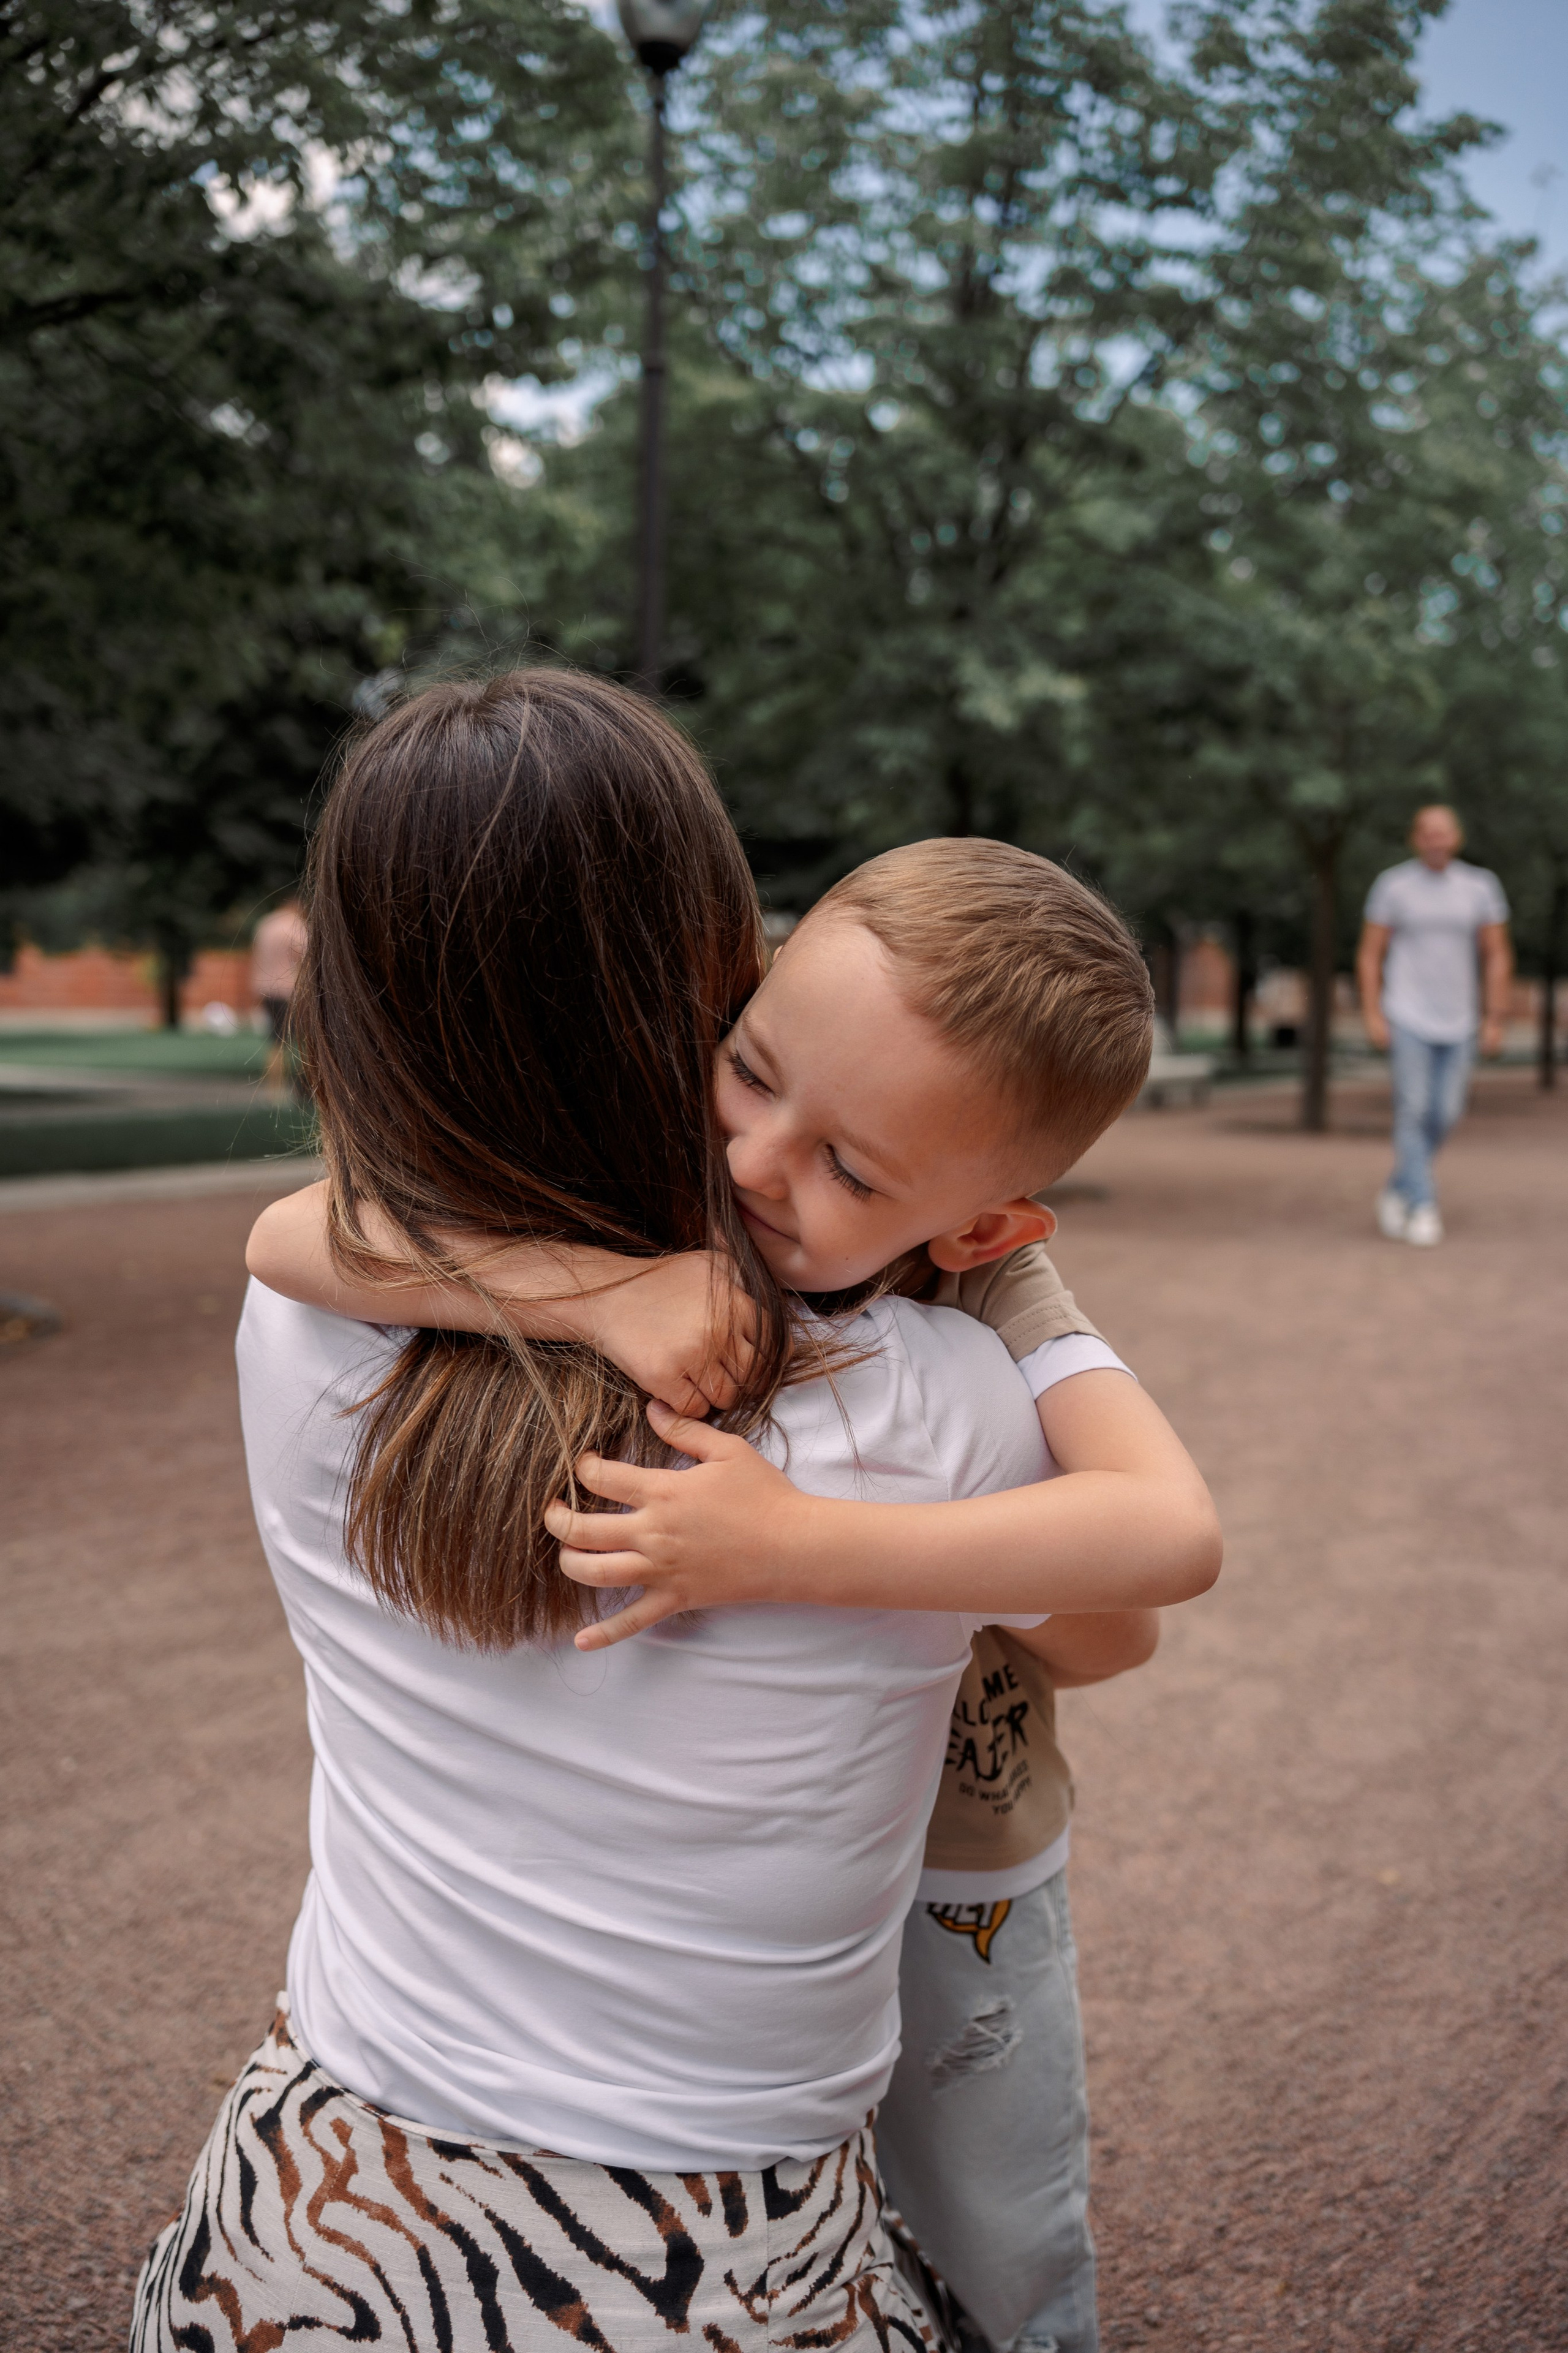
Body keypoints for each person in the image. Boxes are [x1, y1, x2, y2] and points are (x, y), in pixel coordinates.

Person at [252, 835, 1216, 2353]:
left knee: (996, 2226)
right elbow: (288, 1234)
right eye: (750, 1067)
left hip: (956, 1855)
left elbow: (1150, 1564)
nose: (758, 1159)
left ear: (976, 1222)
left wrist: (791, 1544)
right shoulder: (661, 1187)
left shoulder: (991, 1294)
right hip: (751, 1898)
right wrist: (611, 1293)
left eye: (849, 1167)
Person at [1357, 806, 1512, 1246]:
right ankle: (1423, 1205)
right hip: (1407, 1015)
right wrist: (1373, 1012)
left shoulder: (1481, 886)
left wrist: (1494, 1016)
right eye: (1427, 833)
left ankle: (1397, 1188)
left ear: (1457, 837)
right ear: (1415, 838)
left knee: (1446, 1112)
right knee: (1413, 1108)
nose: (1435, 840)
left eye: (1443, 832)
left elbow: (1497, 954)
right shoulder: (1393, 885)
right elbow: (1370, 955)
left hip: (1460, 1021)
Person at [249, 893, 308, 1094]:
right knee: (303, 1041)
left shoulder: (265, 924)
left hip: (266, 989)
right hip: (290, 991)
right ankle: (304, 1087)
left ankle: (275, 1089)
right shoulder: (296, 926)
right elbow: (305, 961)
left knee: (275, 1041)